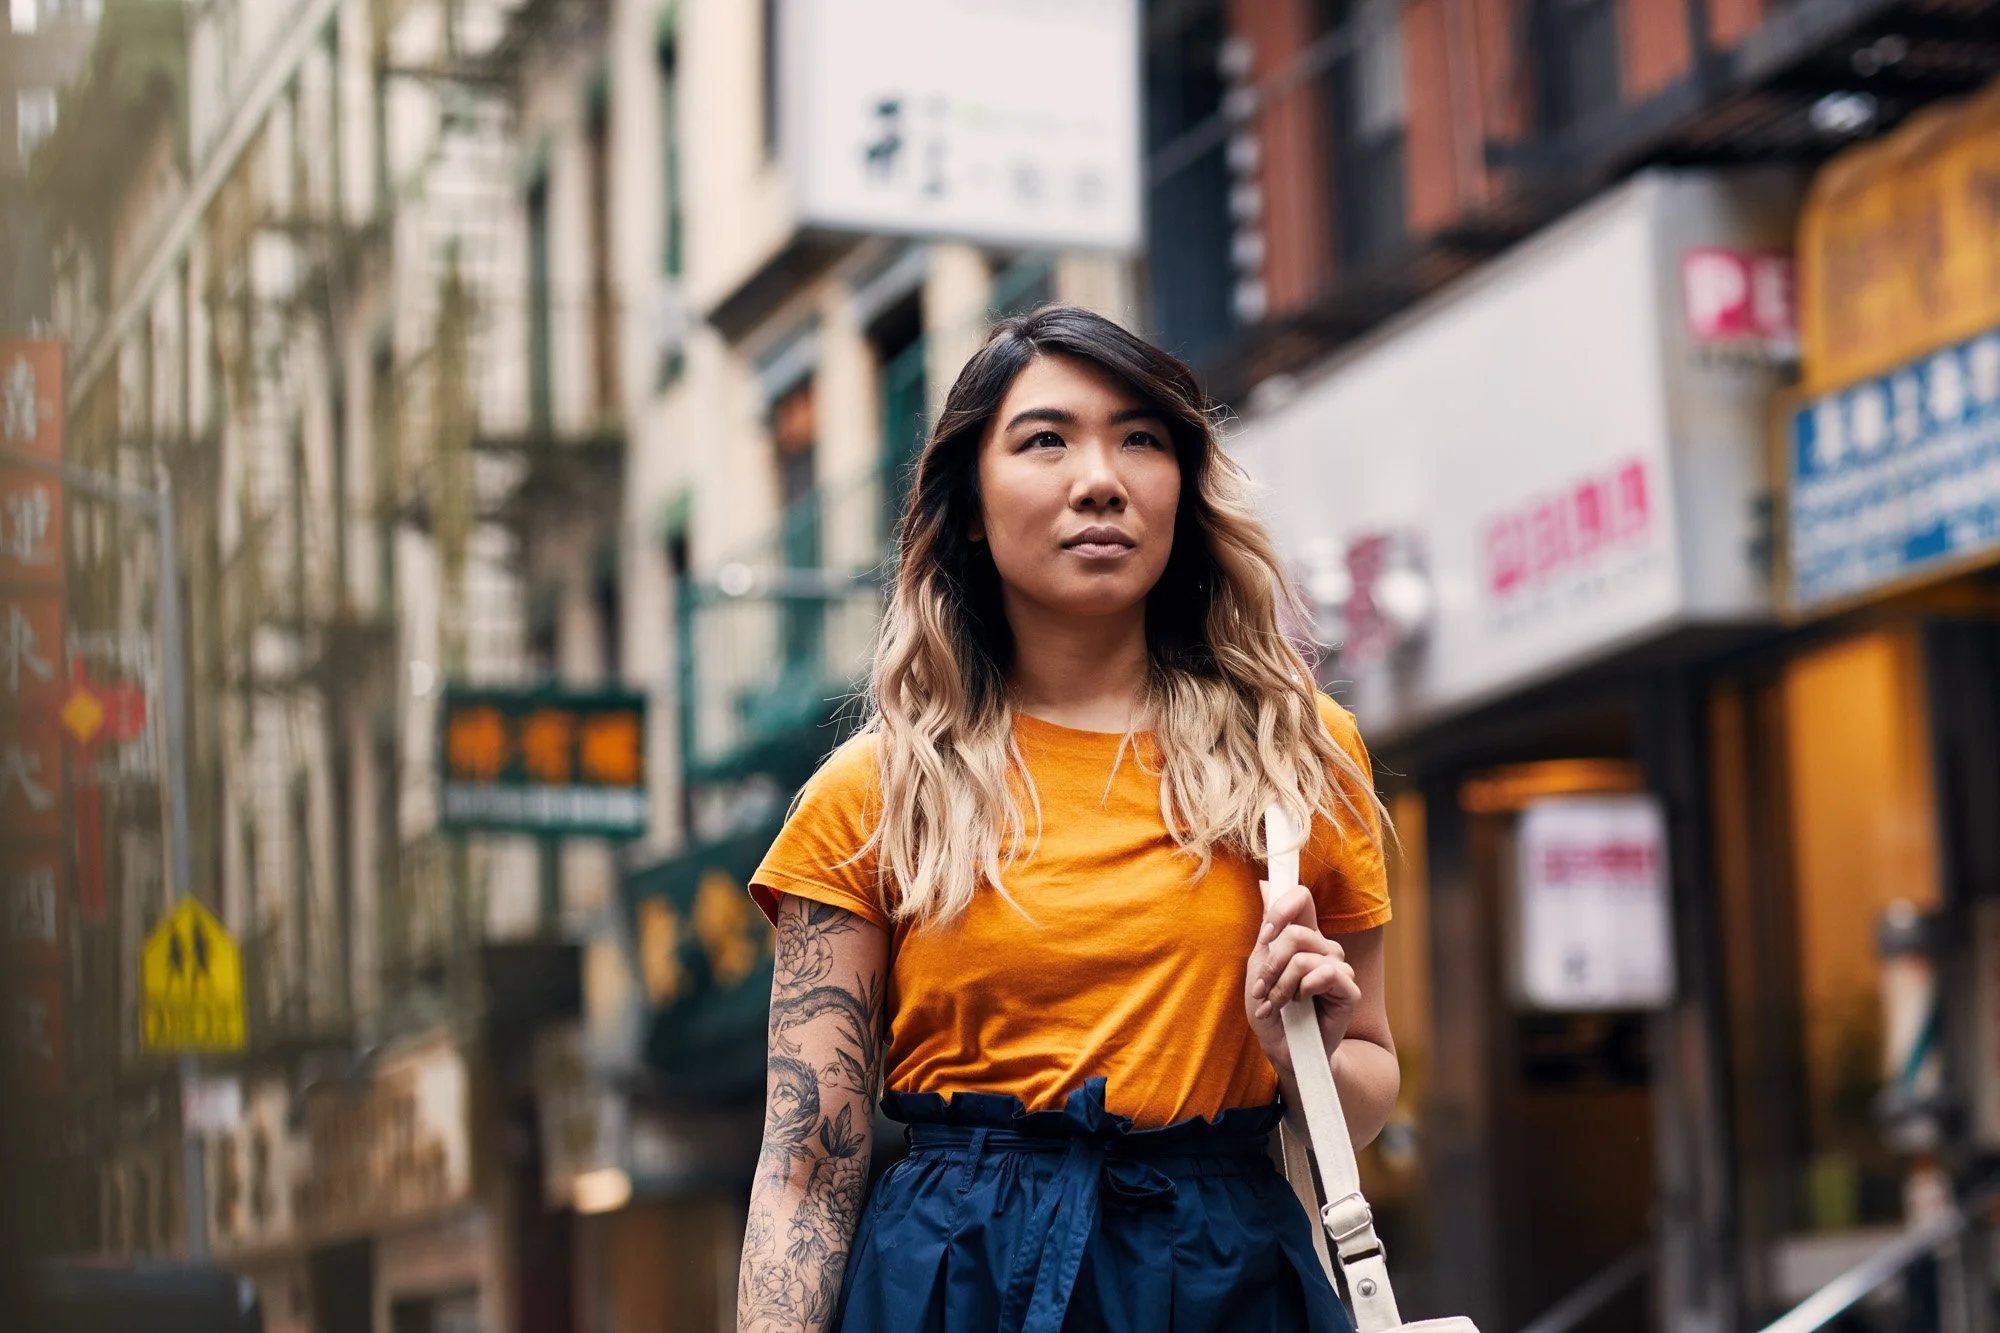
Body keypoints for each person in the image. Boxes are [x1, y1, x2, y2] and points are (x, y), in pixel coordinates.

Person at [736, 306, 1397, 1333]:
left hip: (1221, 1277)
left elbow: (1365, 1085)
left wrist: (1284, 1048)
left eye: (1140, 438)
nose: (1101, 478)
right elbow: (804, 1169)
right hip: (953, 1283)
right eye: (1044, 439)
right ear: (965, 506)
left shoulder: (1295, 753)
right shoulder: (870, 795)